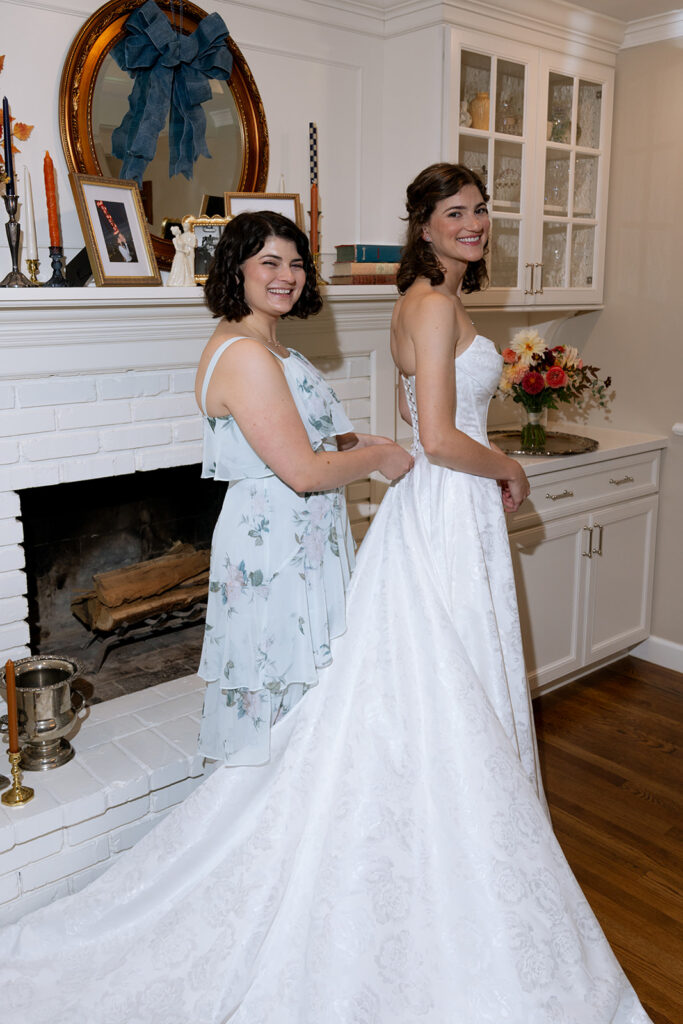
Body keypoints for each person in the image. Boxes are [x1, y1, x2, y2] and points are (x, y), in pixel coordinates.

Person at [0, 188, 652, 1024]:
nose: (286, 274)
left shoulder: (267, 346)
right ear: (232, 271)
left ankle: (331, 855)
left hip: (303, 546)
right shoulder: (244, 352)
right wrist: (381, 455)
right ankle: (287, 870)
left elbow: (306, 443)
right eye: (266, 261)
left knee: (319, 721)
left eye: (295, 262)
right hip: (276, 556)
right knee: (297, 736)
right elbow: (305, 471)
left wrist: (361, 445)